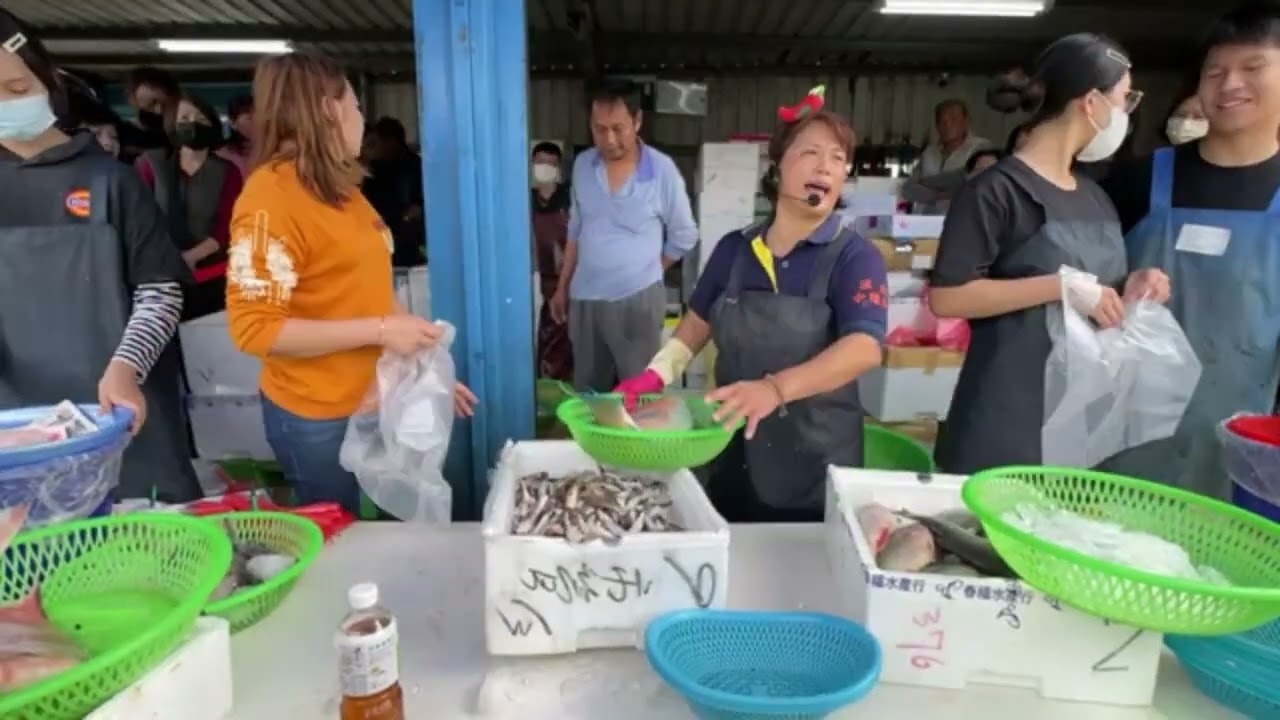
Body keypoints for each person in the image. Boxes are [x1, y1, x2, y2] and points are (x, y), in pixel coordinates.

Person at [615, 90, 887, 523]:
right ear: (777, 167)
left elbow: (864, 347)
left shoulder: (854, 257)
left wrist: (774, 389)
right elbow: (694, 327)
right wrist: (656, 373)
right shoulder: (734, 250)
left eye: (837, 159)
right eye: (810, 152)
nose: (825, 167)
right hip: (733, 450)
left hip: (814, 463)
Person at [225, 54, 476, 516]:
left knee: (374, 534)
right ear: (327, 111)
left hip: (370, 401)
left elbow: (366, 292)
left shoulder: (342, 191)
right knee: (336, 539)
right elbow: (254, 329)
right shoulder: (269, 201)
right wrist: (381, 331)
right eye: (356, 106)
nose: (363, 119)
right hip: (316, 416)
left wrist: (426, 366)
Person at [928, 33, 1170, 474]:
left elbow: (1100, 291)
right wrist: (1057, 287)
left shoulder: (1094, 195)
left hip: (1079, 419)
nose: (1126, 113)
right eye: (1124, 99)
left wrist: (1131, 284)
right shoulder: (995, 191)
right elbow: (948, 297)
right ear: (1091, 102)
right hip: (1004, 419)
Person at [0, 12, 201, 502]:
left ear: (49, 83)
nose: (4, 103)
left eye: (15, 86)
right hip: (19, 431)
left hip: (122, 412)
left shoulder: (111, 181)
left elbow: (160, 289)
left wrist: (127, 367)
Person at [1100, 2, 1280, 500]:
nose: (1230, 85)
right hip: (1121, 443)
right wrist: (1114, 290)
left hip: (1239, 460)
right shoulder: (1138, 181)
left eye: (1253, 68)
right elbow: (1078, 282)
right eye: (1215, 71)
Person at [552, 79, 698, 391]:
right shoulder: (582, 166)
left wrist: (650, 270)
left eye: (618, 128)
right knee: (589, 396)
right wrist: (563, 287)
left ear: (637, 121)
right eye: (599, 128)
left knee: (640, 395)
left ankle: (638, 442)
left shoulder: (661, 171)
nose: (609, 138)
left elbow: (685, 234)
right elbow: (576, 229)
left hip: (638, 302)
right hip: (585, 300)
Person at [136, 94, 244, 320]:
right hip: (160, 273)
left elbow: (229, 225)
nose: (192, 122)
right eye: (184, 117)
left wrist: (192, 257)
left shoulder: (227, 171)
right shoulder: (150, 164)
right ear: (172, 123)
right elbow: (140, 218)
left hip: (212, 274)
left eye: (200, 118)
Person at [530, 141, 573, 382]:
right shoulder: (524, 201)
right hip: (537, 282)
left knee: (564, 348)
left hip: (567, 282)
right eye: (540, 163)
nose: (544, 168)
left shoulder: (570, 201)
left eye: (550, 163)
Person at [902, 99, 991, 213]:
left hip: (963, 221)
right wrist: (941, 196)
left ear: (966, 122)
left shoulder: (981, 147)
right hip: (927, 224)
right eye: (941, 121)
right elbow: (908, 189)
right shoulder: (929, 153)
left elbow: (968, 180)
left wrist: (926, 183)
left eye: (953, 119)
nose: (947, 124)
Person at [361, 117, 425, 268]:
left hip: (408, 240)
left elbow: (421, 204)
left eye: (376, 143)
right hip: (378, 235)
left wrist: (411, 214)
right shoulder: (373, 170)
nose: (374, 149)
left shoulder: (415, 167)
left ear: (391, 142)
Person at [119, 66, 179, 163]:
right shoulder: (124, 134)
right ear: (132, 100)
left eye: (164, 104)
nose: (159, 110)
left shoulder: (182, 131)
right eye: (152, 103)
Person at [218, 93, 253, 176]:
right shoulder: (225, 155)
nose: (256, 122)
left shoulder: (271, 149)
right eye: (249, 118)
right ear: (233, 123)